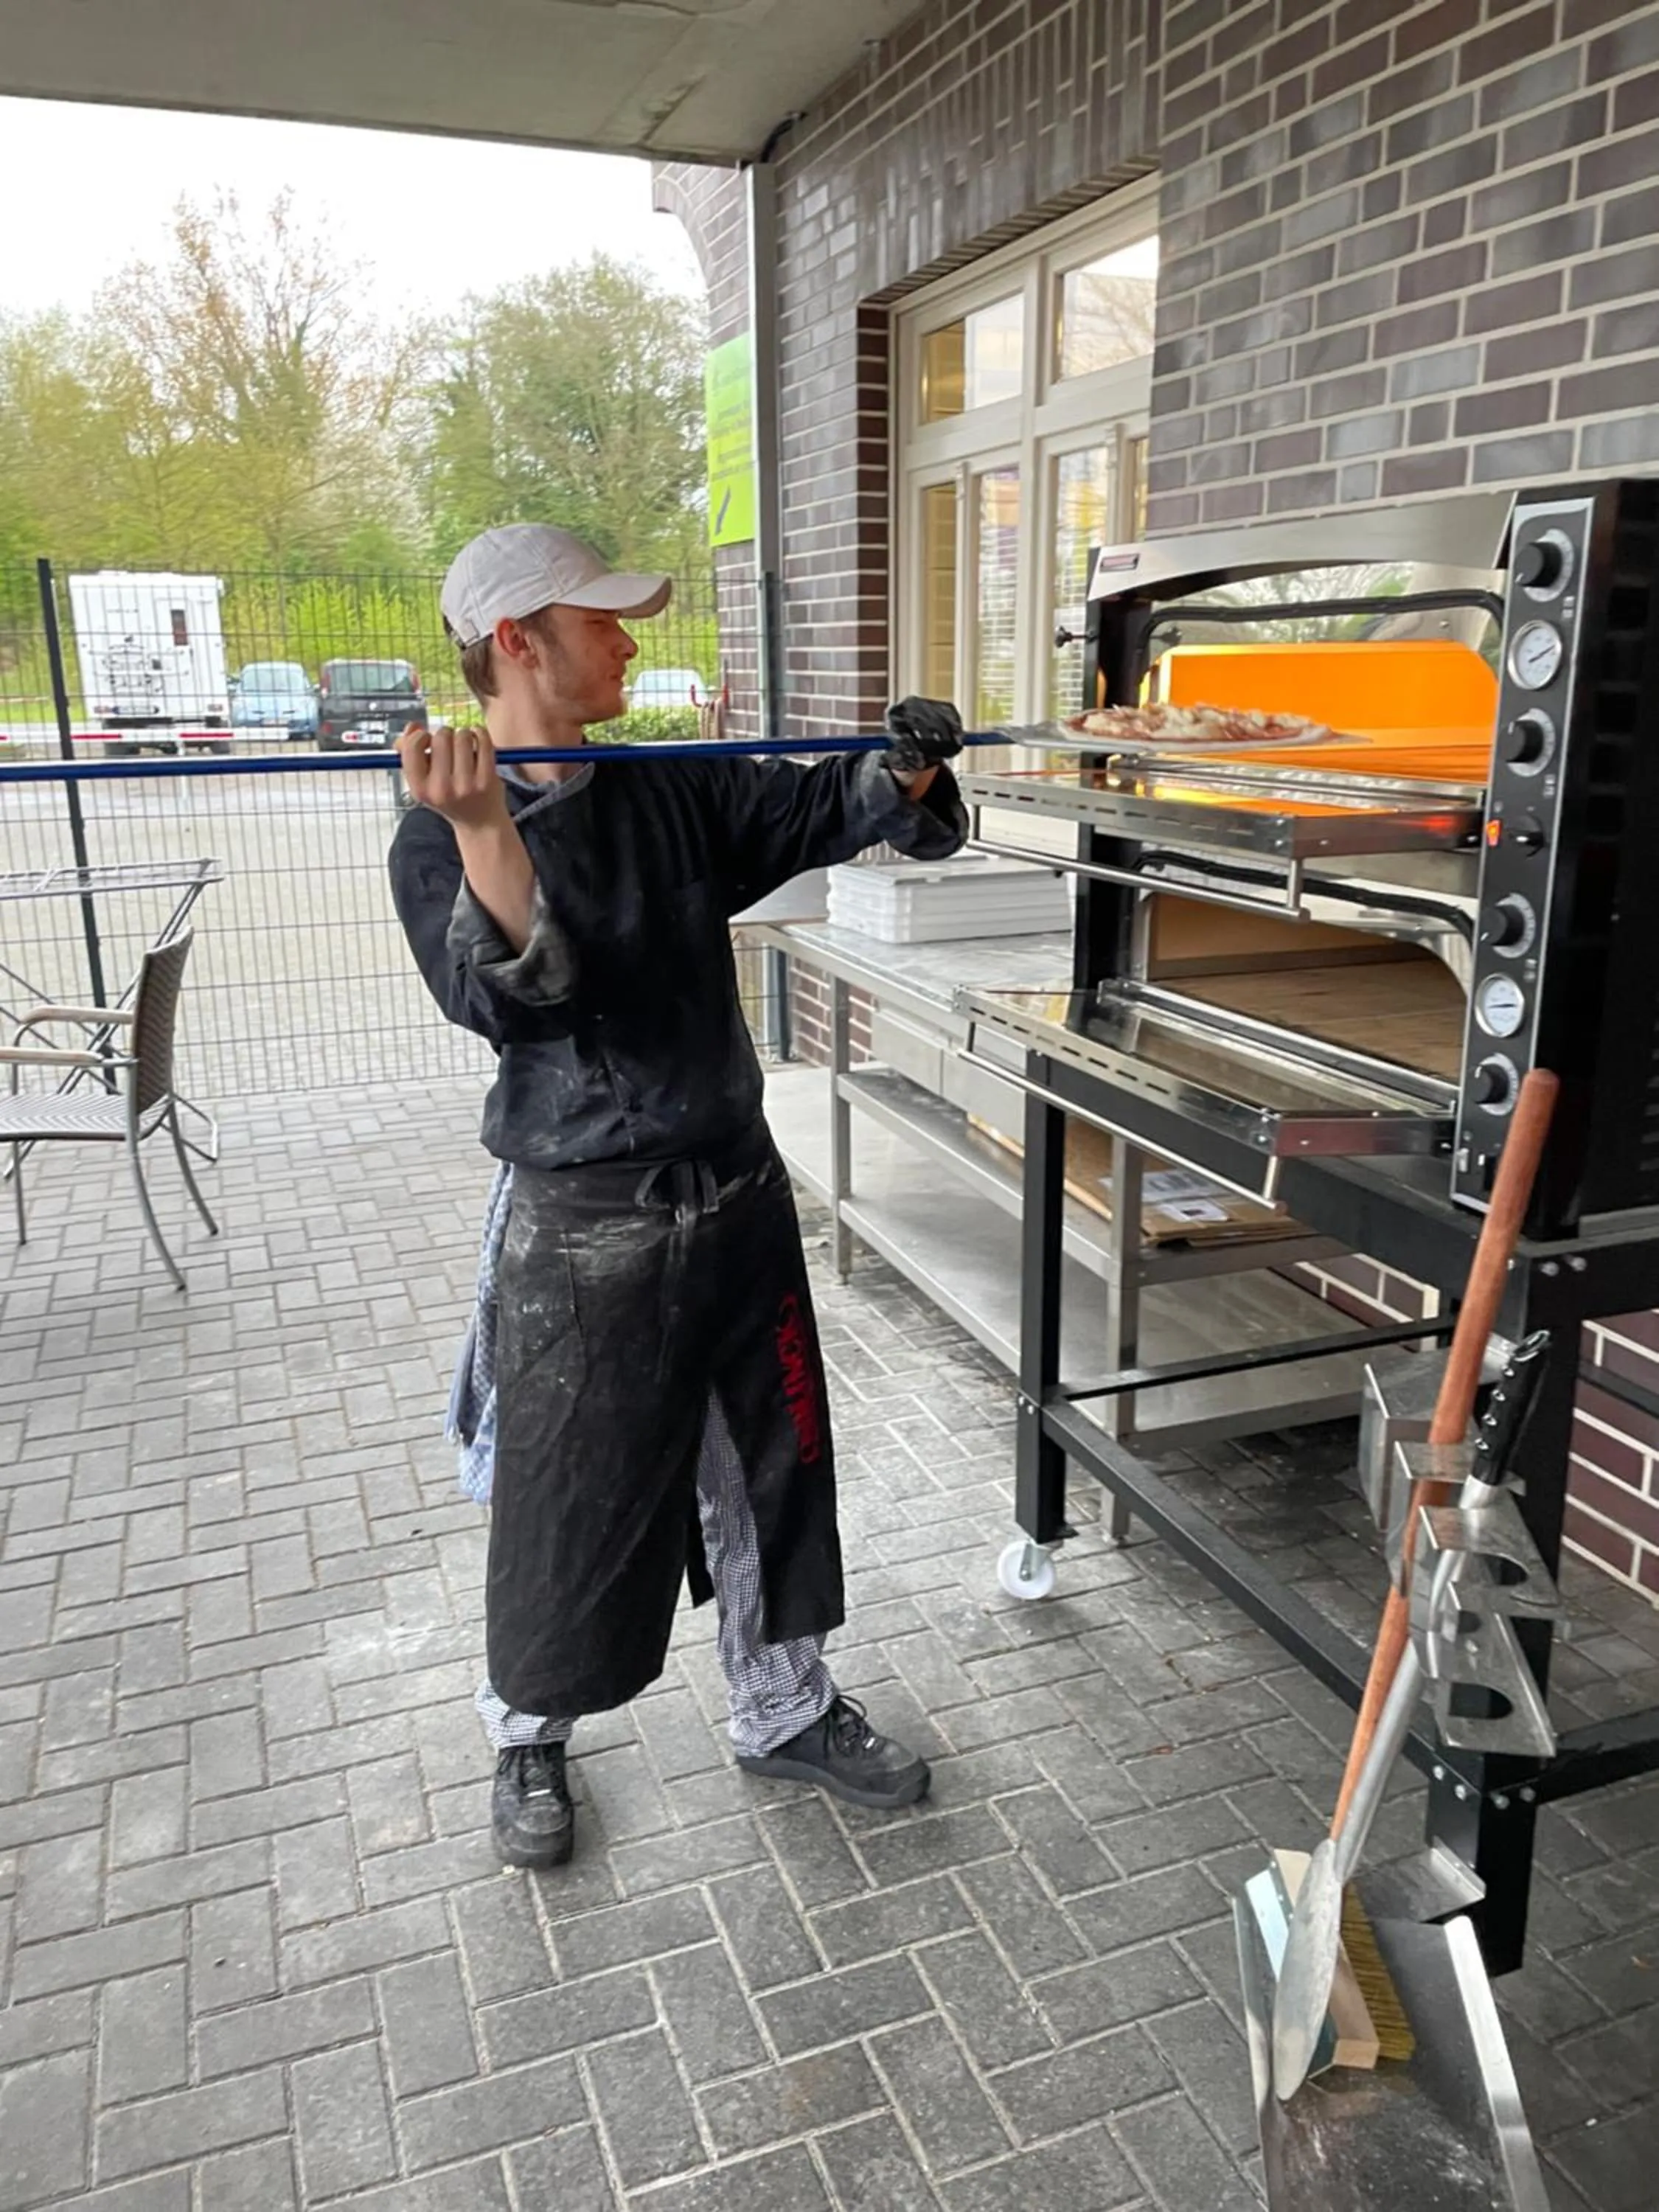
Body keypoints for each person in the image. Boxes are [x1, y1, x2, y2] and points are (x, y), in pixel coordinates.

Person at [389, 522, 968, 1868]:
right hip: (586, 1226)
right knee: (570, 1491)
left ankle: (787, 1709)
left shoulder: (670, 792)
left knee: (777, 1467)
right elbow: (521, 1008)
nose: (632, 640)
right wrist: (483, 829)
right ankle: (527, 1731)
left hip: (739, 1197)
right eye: (604, 621)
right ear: (519, 639)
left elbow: (833, 806)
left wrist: (906, 768)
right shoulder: (438, 834)